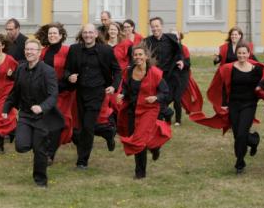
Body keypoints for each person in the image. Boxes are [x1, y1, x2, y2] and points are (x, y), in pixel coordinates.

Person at [197, 43, 264, 175]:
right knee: (237, 135)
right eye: (239, 53)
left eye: (244, 53)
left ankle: (239, 162)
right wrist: (224, 103)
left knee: (241, 133)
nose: (242, 55)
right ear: (237, 54)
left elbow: (263, 85)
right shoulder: (229, 68)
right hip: (234, 104)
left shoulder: (256, 70)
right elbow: (224, 86)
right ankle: (253, 140)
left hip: (249, 104)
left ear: (249, 54)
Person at [2, 39, 64, 187]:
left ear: (39, 52)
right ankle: (37, 143)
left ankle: (41, 181)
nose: (29, 52)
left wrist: (42, 107)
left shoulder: (48, 71)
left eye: (32, 50)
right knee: (21, 146)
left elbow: (53, 95)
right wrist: (6, 108)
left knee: (39, 150)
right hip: (25, 115)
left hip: (42, 116)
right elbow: (14, 93)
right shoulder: (21, 69)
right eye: (27, 49)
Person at [65, 23, 121, 169]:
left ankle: (82, 161)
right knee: (82, 127)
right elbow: (67, 70)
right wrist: (70, 76)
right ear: (82, 34)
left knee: (88, 127)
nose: (88, 35)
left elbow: (117, 71)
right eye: (85, 33)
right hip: (80, 93)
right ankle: (108, 132)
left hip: (97, 93)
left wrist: (113, 86)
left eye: (90, 33)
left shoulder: (106, 50)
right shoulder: (74, 49)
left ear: (96, 34)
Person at [115, 44, 171, 179]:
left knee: (138, 140)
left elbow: (166, 92)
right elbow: (127, 88)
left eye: (140, 55)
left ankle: (140, 173)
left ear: (146, 57)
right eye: (135, 55)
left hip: (149, 110)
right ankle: (154, 147)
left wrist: (156, 97)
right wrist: (122, 94)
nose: (138, 57)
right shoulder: (129, 71)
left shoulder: (155, 73)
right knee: (136, 137)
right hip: (132, 110)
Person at [35, 22, 75, 163]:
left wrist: (68, 80)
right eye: (50, 33)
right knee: (46, 123)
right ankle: (46, 151)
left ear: (61, 35)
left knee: (58, 123)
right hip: (46, 93)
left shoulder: (67, 50)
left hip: (63, 93)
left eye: (55, 33)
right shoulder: (44, 51)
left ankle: (50, 154)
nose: (52, 35)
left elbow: (71, 69)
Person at [141, 17, 187, 124]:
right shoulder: (147, 41)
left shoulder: (171, 38)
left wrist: (180, 60)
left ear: (161, 26)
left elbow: (179, 50)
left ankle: (165, 114)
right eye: (153, 27)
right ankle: (164, 115)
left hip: (169, 74)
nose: (155, 29)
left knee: (166, 97)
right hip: (155, 75)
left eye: (157, 26)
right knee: (158, 97)